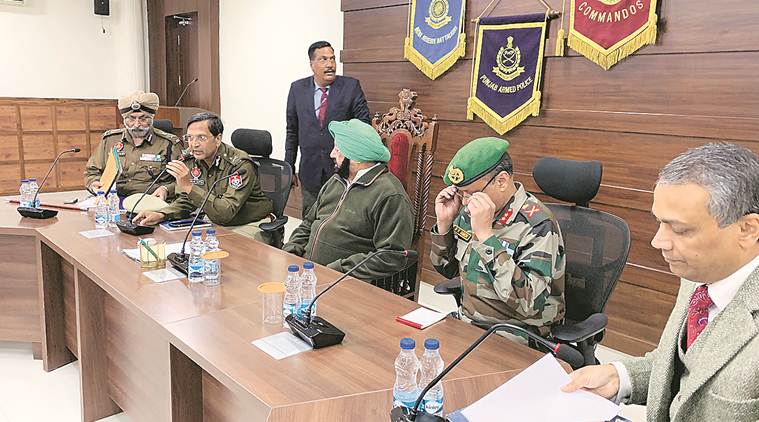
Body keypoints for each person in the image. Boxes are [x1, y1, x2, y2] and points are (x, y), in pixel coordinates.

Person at [562, 143, 759, 421]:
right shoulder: (699, 276)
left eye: (679, 229)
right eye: (660, 223)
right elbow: (691, 369)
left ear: (747, 230)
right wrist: (621, 377)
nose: (658, 241)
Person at [429, 137, 566, 337]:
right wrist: (444, 225)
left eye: (471, 193)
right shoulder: (470, 212)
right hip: (469, 323)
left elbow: (530, 305)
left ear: (501, 181)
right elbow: (447, 270)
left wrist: (486, 238)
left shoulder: (538, 225)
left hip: (517, 334)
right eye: (460, 193)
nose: (465, 202)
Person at [283, 119, 413, 281]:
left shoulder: (390, 194)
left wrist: (338, 270)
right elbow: (309, 223)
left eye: (338, 149)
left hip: (343, 281)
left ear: (356, 156)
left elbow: (391, 256)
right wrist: (290, 251)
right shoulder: (336, 181)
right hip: (307, 273)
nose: (332, 154)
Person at [132, 112, 273, 240]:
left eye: (201, 137)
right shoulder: (193, 159)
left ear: (217, 139)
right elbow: (187, 200)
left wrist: (189, 187)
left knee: (223, 249)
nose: (194, 144)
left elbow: (225, 213)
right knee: (177, 242)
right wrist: (162, 214)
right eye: (190, 138)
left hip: (250, 223)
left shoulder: (240, 165)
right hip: (215, 220)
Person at [285, 40, 371, 218]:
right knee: (310, 221)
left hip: (342, 172)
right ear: (312, 64)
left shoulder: (351, 87)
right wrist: (289, 167)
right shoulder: (297, 89)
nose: (330, 64)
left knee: (339, 221)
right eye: (323, 59)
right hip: (310, 171)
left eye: (332, 59)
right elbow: (292, 131)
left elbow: (364, 126)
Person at [84, 91, 182, 200]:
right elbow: (92, 172)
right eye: (131, 119)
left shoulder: (169, 144)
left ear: (152, 118)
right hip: (113, 199)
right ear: (124, 119)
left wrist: (166, 189)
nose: (136, 124)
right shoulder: (110, 140)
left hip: (150, 200)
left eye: (143, 119)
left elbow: (184, 179)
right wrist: (93, 183)